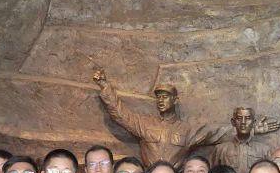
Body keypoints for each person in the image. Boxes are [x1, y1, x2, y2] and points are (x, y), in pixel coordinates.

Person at [92, 70, 224, 166]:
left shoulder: (187, 129)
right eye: (158, 97)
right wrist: (105, 86)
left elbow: (216, 132)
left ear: (175, 100)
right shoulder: (145, 124)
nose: (161, 100)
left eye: (165, 97)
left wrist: (237, 129)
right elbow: (120, 114)